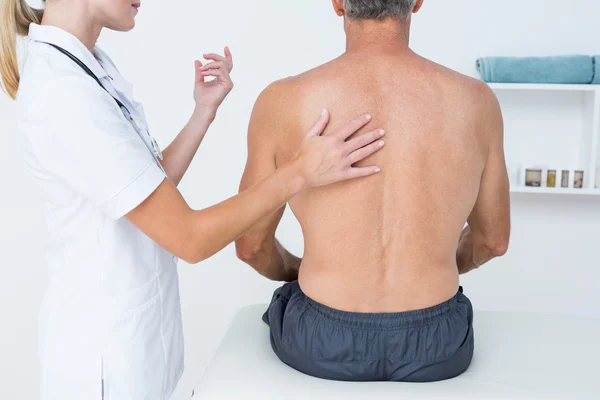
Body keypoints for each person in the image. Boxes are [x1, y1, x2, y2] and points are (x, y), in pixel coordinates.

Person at [0, 0, 387, 398]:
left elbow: (143, 185)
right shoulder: (63, 94)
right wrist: (300, 172)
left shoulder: (89, 66)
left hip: (134, 350)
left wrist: (203, 111)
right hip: (101, 364)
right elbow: (189, 238)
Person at [236, 0, 511, 383]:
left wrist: (300, 271)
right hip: (438, 343)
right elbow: (493, 241)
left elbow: (250, 245)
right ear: (416, 3)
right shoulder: (477, 101)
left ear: (337, 4)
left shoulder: (282, 100)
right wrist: (433, 264)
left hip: (321, 341)